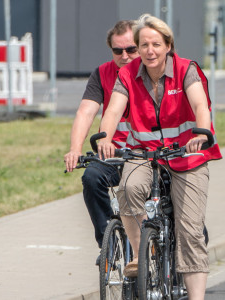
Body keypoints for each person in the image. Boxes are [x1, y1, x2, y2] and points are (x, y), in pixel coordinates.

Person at [96, 14, 221, 300]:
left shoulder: (186, 69)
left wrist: (200, 133)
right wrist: (104, 136)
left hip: (186, 155)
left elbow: (201, 104)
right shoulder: (127, 74)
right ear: (137, 48)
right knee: (127, 188)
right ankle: (142, 255)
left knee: (190, 232)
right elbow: (113, 111)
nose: (149, 51)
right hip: (145, 153)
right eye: (143, 45)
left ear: (168, 45)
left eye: (155, 44)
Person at [64, 20, 138, 249]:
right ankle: (109, 245)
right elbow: (86, 111)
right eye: (118, 51)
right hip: (113, 152)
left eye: (131, 49)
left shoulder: (150, 71)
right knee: (92, 177)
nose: (124, 56)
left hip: (147, 152)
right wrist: (75, 149)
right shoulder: (103, 73)